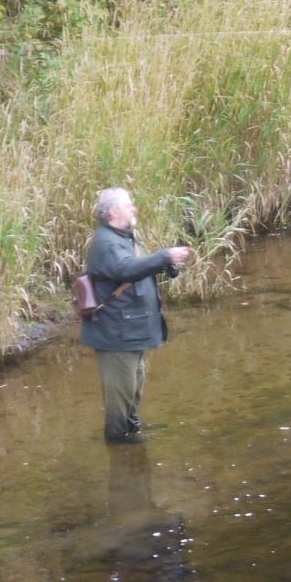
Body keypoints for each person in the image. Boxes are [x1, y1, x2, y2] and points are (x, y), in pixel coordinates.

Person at [81, 187, 191, 443]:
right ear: (113, 212)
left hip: (131, 330)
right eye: (129, 205)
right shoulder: (105, 242)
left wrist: (166, 265)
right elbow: (126, 269)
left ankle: (132, 432)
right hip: (116, 334)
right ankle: (119, 444)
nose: (134, 208)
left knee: (133, 387)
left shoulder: (124, 236)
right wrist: (164, 255)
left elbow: (138, 267)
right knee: (120, 394)